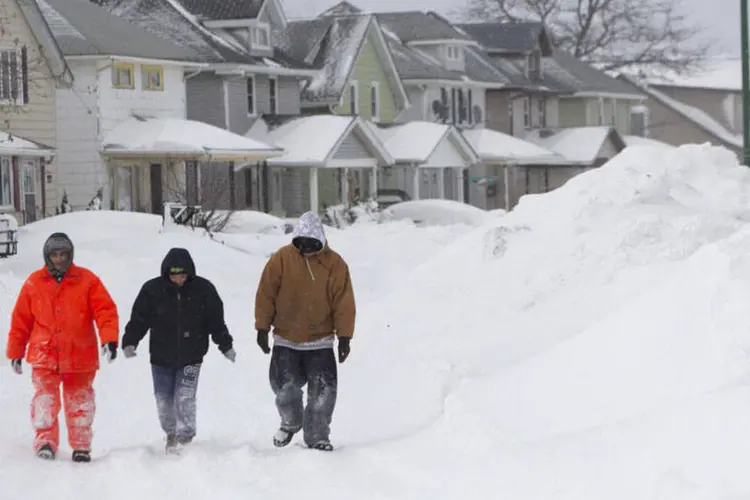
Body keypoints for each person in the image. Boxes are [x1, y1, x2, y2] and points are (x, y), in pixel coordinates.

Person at [5, 232, 119, 462]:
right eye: (54, 255)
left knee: (80, 401)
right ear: (47, 256)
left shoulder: (87, 280)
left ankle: (81, 446)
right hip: (44, 354)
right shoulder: (34, 283)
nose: (59, 259)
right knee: (45, 400)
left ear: (70, 254)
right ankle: (45, 441)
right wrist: (15, 351)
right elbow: (21, 321)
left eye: (63, 254)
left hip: (80, 353)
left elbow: (105, 311)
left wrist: (109, 339)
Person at [254, 211, 356, 452]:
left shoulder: (335, 264)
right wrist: (262, 327)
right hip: (285, 338)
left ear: (320, 240)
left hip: (320, 340)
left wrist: (344, 337)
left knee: (323, 393)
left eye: (313, 243)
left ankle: (318, 436)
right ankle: (290, 421)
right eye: (303, 243)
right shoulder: (282, 259)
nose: (307, 248)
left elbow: (344, 302)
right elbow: (266, 294)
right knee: (283, 387)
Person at [121, 247, 236, 454]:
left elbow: (216, 321)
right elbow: (139, 319)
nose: (179, 279)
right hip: (160, 356)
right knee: (163, 399)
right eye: (174, 275)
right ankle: (171, 433)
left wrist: (225, 345)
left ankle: (185, 436)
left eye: (183, 275)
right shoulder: (152, 290)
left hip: (192, 355)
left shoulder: (204, 290)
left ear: (190, 273)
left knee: (184, 397)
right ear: (167, 273)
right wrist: (130, 341)